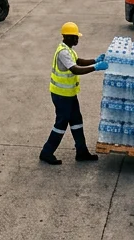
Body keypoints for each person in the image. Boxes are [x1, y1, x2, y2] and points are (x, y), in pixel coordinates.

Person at [38, 22, 107, 165]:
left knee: (77, 121)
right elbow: (75, 69)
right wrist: (95, 67)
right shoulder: (63, 52)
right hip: (61, 95)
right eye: (76, 37)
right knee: (61, 124)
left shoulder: (68, 49)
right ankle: (46, 152)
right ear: (68, 37)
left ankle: (81, 152)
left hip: (69, 95)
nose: (78, 39)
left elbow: (79, 61)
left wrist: (95, 60)